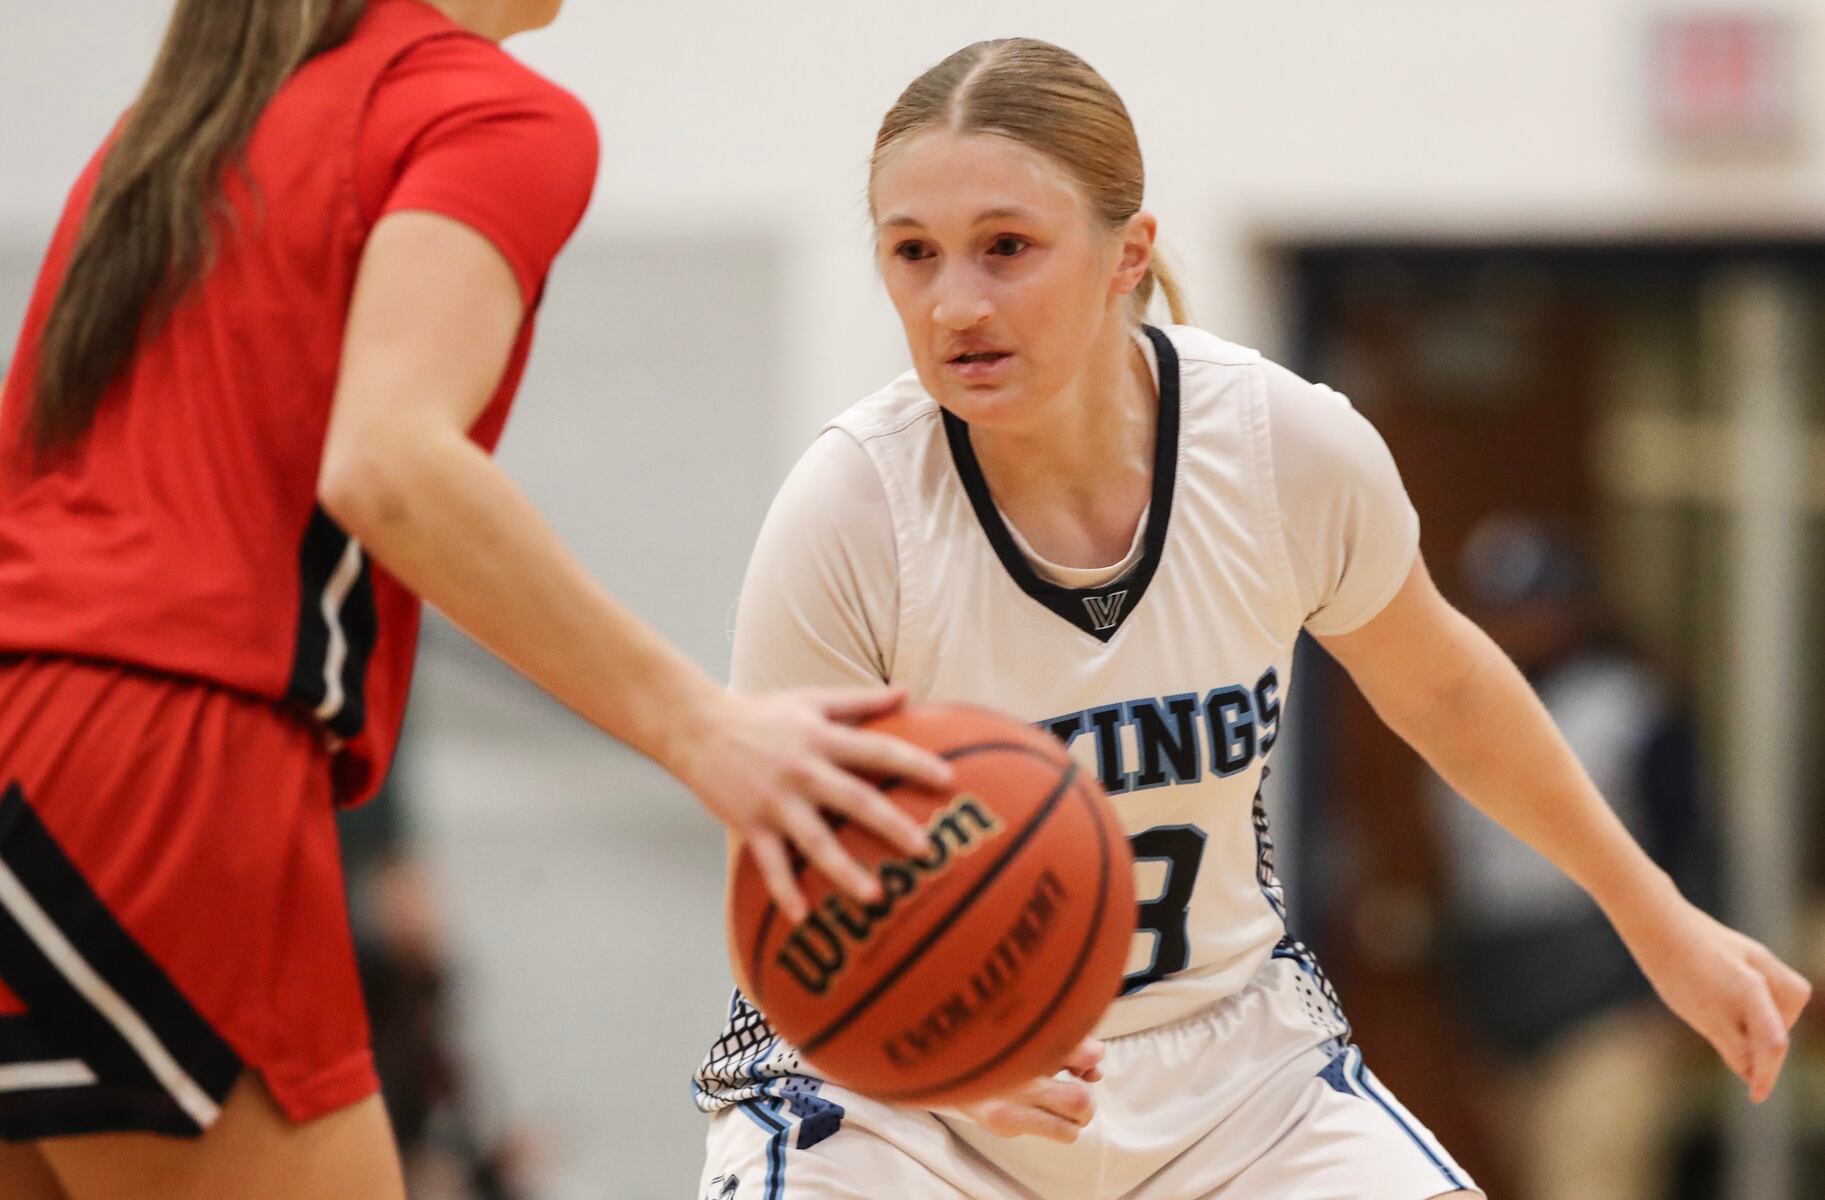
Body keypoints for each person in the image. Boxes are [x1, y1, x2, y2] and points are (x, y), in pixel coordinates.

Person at [692, 37, 1811, 1200]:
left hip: (1230, 1076)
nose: (954, 300)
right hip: (888, 1095)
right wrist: (928, 1055)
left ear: (1129, 254)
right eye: (911, 253)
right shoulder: (851, 511)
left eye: (1006, 247)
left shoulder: (1282, 448)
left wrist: (1658, 918)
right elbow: (774, 870)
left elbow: (1442, 688)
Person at [0, 2, 949, 1198]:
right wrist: (701, 729)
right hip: (158, 774)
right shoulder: (485, 111)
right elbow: (388, 463)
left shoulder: (177, 125)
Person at [1428, 515, 1711, 1200]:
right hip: (1500, 1003)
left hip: (1606, 997)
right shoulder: (1442, 705)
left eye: (1534, 606)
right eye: (1498, 609)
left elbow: (1692, 847)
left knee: (1591, 1182)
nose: (1518, 625)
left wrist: (1677, 990)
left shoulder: (1626, 704)